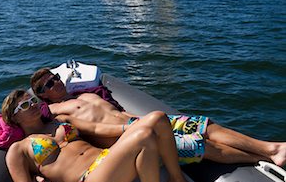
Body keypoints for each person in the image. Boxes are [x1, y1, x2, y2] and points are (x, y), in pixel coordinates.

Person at [3, 89, 210, 182]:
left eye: (32, 101)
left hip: (107, 159)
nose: (32, 105)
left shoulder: (59, 122)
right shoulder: (18, 149)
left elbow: (94, 129)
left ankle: (177, 180)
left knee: (157, 118)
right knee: (145, 136)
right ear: (14, 117)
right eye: (24, 105)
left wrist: (129, 128)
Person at [31, 69, 286, 168]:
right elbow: (49, 137)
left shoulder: (84, 93)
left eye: (54, 77)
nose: (55, 83)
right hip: (130, 136)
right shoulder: (53, 112)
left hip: (142, 120)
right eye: (47, 85)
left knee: (204, 124)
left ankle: (272, 148)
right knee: (202, 145)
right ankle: (266, 160)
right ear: (42, 97)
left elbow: (113, 108)